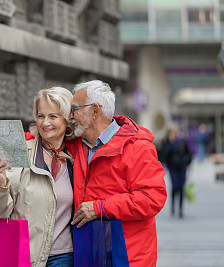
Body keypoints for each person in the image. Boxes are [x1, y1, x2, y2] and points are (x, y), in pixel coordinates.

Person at [65, 80, 167, 267]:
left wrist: (100, 208)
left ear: (94, 111)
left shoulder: (137, 147)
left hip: (129, 257)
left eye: (74, 109)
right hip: (90, 252)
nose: (70, 116)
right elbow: (44, 136)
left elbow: (152, 198)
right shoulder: (75, 144)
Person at [0, 87, 75, 267]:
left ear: (67, 120)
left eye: (53, 116)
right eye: (40, 116)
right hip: (22, 256)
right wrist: (0, 184)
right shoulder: (20, 152)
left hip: (64, 255)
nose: (45, 123)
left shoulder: (76, 157)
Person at [160, 124, 193, 218]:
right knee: (175, 186)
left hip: (182, 167)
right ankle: (173, 207)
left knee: (181, 188)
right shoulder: (167, 142)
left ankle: (180, 209)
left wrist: (188, 162)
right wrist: (170, 143)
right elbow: (164, 155)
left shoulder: (182, 141)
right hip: (172, 167)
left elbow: (189, 153)